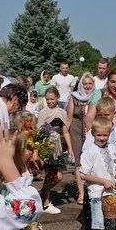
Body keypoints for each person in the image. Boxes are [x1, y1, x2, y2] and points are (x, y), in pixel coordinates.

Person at [78, 117, 116, 230]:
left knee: (110, 226)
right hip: (97, 194)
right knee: (97, 227)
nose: (102, 138)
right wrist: (102, 181)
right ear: (93, 134)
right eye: (99, 135)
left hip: (111, 195)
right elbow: (84, 175)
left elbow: (114, 167)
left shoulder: (112, 148)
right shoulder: (89, 153)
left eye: (105, 135)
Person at [37, 86, 73, 215]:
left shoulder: (62, 112)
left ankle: (42, 194)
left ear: (57, 98)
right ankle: (46, 202)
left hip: (57, 146)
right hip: (47, 145)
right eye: (47, 99)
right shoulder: (43, 113)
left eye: (52, 99)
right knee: (50, 175)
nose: (50, 101)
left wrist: (70, 147)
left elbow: (65, 131)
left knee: (58, 176)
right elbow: (39, 131)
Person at [66, 73, 100, 204]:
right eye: (85, 84)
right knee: (79, 162)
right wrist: (66, 133)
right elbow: (69, 117)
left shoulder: (96, 97)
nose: (87, 86)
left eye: (90, 84)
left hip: (92, 131)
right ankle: (81, 194)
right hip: (76, 130)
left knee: (93, 159)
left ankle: (92, 191)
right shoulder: (74, 97)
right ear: (81, 84)